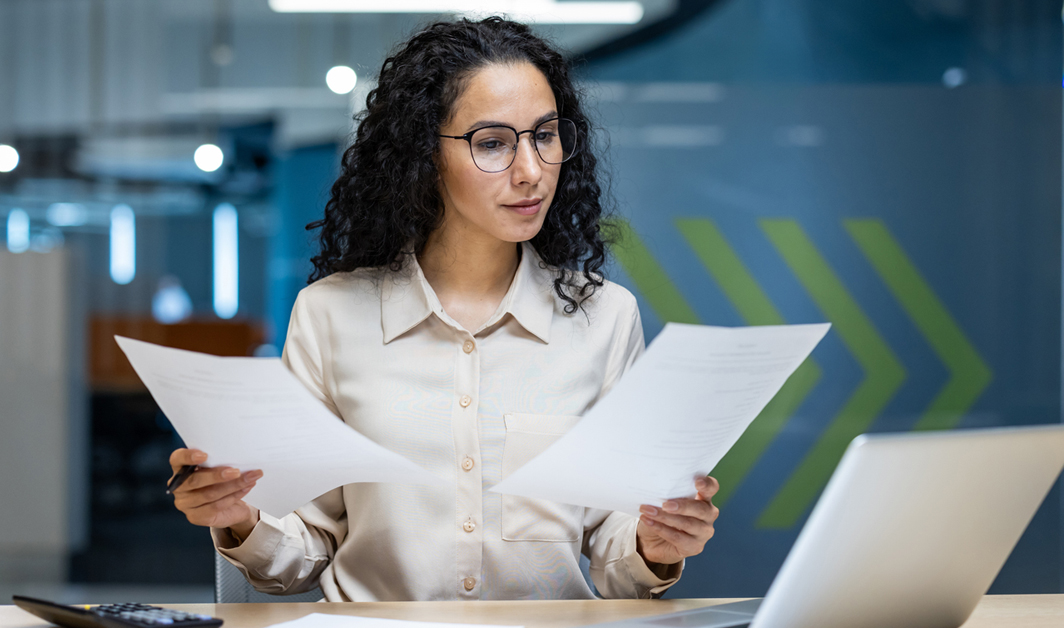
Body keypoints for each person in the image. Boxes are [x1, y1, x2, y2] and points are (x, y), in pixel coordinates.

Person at [166, 17, 719, 602]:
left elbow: (612, 548)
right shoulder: (329, 316)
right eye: (493, 143)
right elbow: (300, 553)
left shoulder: (604, 317)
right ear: (424, 156)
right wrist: (237, 517)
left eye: (545, 135)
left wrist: (653, 546)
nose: (532, 170)